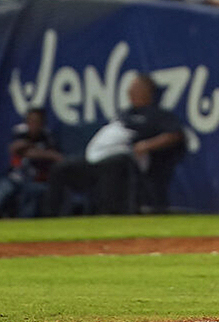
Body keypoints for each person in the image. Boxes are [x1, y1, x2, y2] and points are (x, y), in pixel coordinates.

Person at [46, 74, 185, 215]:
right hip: (96, 156)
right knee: (60, 169)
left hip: (125, 157)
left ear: (146, 90)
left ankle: (110, 214)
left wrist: (146, 145)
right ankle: (51, 217)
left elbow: (174, 135)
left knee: (114, 164)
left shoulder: (158, 115)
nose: (129, 91)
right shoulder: (124, 113)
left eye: (134, 87)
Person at [0, 108, 61, 217]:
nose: (33, 125)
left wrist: (31, 151)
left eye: (36, 122)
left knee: (34, 192)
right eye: (30, 121)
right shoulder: (20, 132)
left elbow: (56, 156)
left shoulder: (46, 136)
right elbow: (14, 148)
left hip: (35, 179)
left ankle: (23, 224)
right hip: (15, 178)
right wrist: (37, 150)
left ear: (42, 123)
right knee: (3, 190)